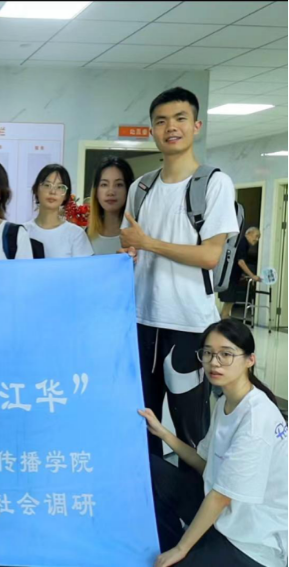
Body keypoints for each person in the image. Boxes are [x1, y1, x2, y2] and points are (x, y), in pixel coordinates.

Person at [121, 87, 240, 461]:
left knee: (191, 431)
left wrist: (148, 243)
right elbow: (132, 248)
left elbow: (210, 256)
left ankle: (195, 499)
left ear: (196, 126)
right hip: (141, 323)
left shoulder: (214, 183)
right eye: (161, 121)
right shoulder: (142, 188)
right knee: (139, 426)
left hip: (189, 326)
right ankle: (152, 498)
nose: (170, 127)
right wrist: (131, 252)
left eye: (180, 119)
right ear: (152, 131)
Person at [140, 319, 287, 567]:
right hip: (225, 516)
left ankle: (184, 549)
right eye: (207, 353)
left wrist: (181, 549)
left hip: (252, 540)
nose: (214, 362)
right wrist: (163, 433)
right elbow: (204, 464)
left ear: (250, 360)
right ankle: (178, 546)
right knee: (148, 470)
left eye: (226, 354)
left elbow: (221, 497)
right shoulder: (226, 402)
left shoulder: (256, 419)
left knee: (177, 558)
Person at [25, 164, 93, 258]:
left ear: (66, 195)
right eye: (47, 185)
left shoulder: (76, 234)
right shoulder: (23, 231)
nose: (53, 192)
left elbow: (83, 266)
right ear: (36, 190)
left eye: (60, 187)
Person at [87, 157, 135, 256]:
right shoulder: (84, 236)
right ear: (96, 191)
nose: (111, 192)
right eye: (104, 185)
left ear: (128, 189)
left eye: (119, 185)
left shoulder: (138, 236)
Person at [220, 227, 262, 320]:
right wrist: (252, 276)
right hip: (230, 277)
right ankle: (224, 320)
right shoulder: (243, 243)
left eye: (258, 238)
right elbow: (240, 261)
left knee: (230, 301)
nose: (257, 239)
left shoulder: (243, 243)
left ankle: (224, 319)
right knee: (229, 300)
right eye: (256, 236)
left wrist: (242, 274)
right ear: (249, 233)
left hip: (233, 276)